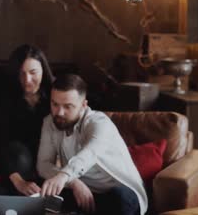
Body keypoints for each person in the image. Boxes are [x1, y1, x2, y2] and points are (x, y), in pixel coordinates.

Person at [38, 74, 147, 215]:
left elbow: (89, 154)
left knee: (120, 197)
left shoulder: (99, 123)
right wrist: (74, 182)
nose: (59, 112)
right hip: (83, 191)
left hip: (118, 192)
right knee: (44, 192)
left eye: (68, 106)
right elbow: (43, 165)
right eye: (55, 104)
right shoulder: (49, 122)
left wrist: (64, 176)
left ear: (84, 105)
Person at [0, 44, 54, 196]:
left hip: (48, 160)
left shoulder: (55, 94)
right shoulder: (6, 98)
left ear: (43, 71)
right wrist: (17, 180)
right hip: (14, 163)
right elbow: (0, 140)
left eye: (33, 73)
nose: (27, 80)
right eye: (21, 73)